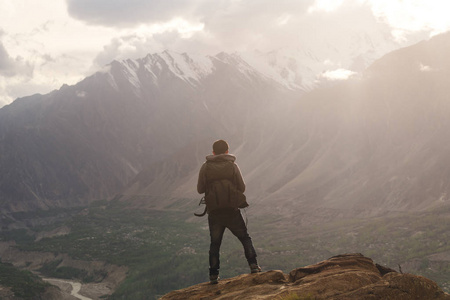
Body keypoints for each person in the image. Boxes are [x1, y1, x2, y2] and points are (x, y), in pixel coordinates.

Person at [197, 139, 261, 284]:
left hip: (214, 212)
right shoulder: (233, 166)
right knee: (244, 238)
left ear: (213, 152)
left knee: (215, 244)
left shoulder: (205, 167)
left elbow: (200, 189)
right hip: (232, 210)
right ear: (227, 151)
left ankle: (213, 275)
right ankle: (254, 266)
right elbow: (242, 187)